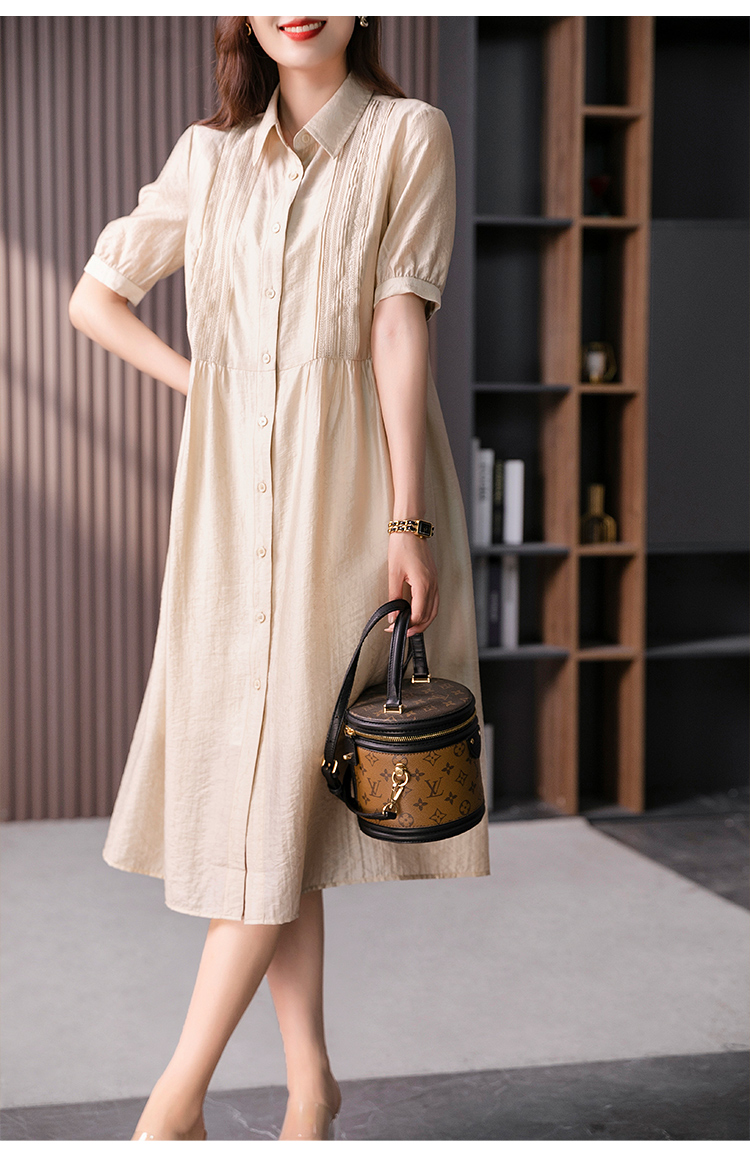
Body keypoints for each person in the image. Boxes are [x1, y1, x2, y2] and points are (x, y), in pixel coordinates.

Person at [68, 15, 490, 1142]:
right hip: (228, 512)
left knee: (278, 802)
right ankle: (311, 1088)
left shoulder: (408, 133)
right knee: (275, 810)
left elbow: (398, 327)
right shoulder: (206, 157)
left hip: (353, 498)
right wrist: (208, 387)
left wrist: (407, 519)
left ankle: (173, 1105)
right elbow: (94, 298)